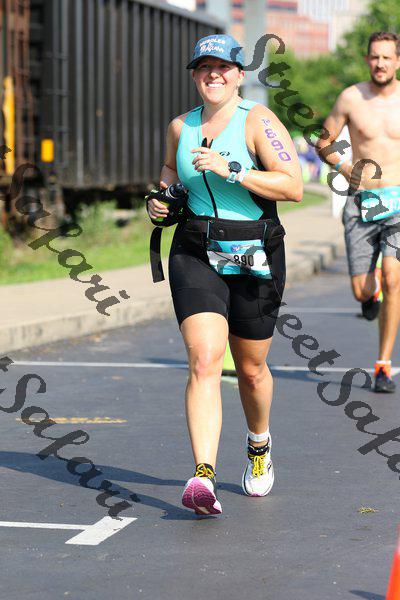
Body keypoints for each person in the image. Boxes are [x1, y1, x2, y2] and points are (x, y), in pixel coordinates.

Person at [147, 34, 302, 515]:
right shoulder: (181, 126)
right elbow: (169, 172)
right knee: (204, 360)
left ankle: (259, 443)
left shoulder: (258, 120)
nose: (213, 75)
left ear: (238, 75)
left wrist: (232, 169)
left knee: (251, 369)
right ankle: (203, 477)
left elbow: (292, 186)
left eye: (223, 67)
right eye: (204, 67)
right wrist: (160, 200)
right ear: (194, 75)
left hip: (253, 251)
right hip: (195, 249)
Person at [318, 31, 400, 394]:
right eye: (375, 57)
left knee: (394, 278)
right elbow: (324, 141)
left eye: (387, 57)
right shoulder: (351, 98)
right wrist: (344, 166)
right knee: (361, 291)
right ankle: (370, 295)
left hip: (398, 203)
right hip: (362, 200)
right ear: (367, 60)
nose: (380, 63)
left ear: (397, 61)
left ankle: (383, 365)